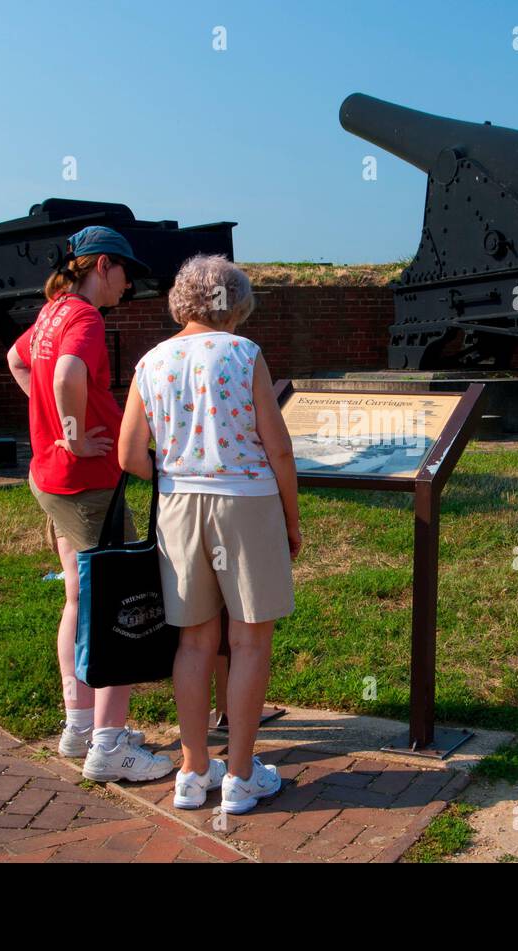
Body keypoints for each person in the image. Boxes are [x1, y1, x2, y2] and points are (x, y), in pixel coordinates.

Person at [117, 254, 300, 814]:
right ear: (234, 302)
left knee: (193, 642)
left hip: (178, 505)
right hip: (245, 502)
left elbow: (129, 454)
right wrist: (291, 521)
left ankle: (193, 770)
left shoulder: (152, 360)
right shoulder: (244, 354)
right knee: (248, 641)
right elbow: (280, 447)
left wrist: (177, 471)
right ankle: (242, 775)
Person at [7, 225, 172, 783]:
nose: (129, 286)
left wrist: (51, 421)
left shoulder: (52, 310)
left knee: (79, 599)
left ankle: (80, 725)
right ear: (103, 264)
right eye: (127, 274)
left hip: (52, 479)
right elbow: (70, 373)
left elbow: (17, 358)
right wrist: (74, 431)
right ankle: (108, 747)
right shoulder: (84, 318)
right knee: (116, 605)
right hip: (87, 482)